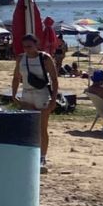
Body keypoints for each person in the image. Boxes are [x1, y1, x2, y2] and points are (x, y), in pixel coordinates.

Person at [11, 33, 59, 169]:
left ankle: (42, 157)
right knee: (27, 126)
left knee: (42, 127)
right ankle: (29, 154)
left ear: (36, 45)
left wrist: (53, 99)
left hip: (42, 94)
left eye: (30, 46)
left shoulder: (45, 58)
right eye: (25, 46)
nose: (27, 49)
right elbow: (16, 77)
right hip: (27, 93)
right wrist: (14, 94)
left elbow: (54, 79)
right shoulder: (21, 58)